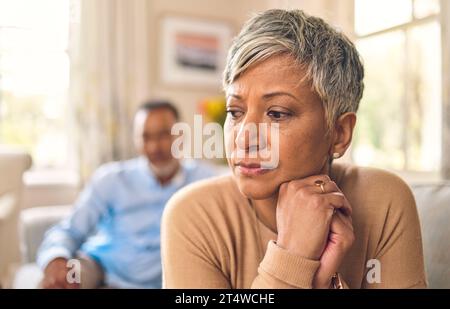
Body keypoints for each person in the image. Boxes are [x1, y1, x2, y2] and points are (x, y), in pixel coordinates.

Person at [161, 10, 426, 288]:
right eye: (235, 111)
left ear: (339, 133)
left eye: (276, 114)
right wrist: (296, 258)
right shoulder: (192, 217)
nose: (243, 138)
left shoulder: (383, 202)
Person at [37, 100, 216, 288]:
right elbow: (69, 230)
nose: (154, 147)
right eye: (145, 137)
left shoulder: (205, 181)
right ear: (136, 139)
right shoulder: (111, 179)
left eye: (163, 135)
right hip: (101, 267)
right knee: (60, 282)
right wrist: (56, 258)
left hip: (171, 278)